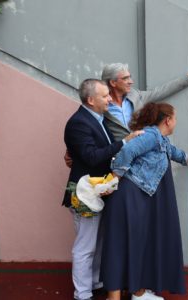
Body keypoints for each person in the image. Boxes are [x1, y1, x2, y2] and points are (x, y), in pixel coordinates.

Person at [101, 102, 188, 300]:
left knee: (137, 242)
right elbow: (127, 152)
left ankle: (136, 292)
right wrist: (114, 177)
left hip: (138, 196)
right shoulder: (150, 136)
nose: (176, 122)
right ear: (167, 120)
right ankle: (120, 295)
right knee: (124, 242)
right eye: (175, 118)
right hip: (130, 195)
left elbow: (171, 151)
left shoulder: (160, 139)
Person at [63, 79, 142, 300]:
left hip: (98, 191)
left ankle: (95, 283)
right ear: (91, 100)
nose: (110, 99)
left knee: (97, 244)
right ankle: (83, 294)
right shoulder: (79, 122)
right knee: (85, 246)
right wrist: (124, 142)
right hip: (83, 194)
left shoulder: (97, 119)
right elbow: (91, 156)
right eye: (105, 96)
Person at [101, 63, 188, 141]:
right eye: (125, 78)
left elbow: (160, 92)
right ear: (113, 83)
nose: (131, 81)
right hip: (118, 161)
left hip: (144, 156)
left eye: (130, 77)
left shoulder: (135, 95)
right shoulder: (99, 106)